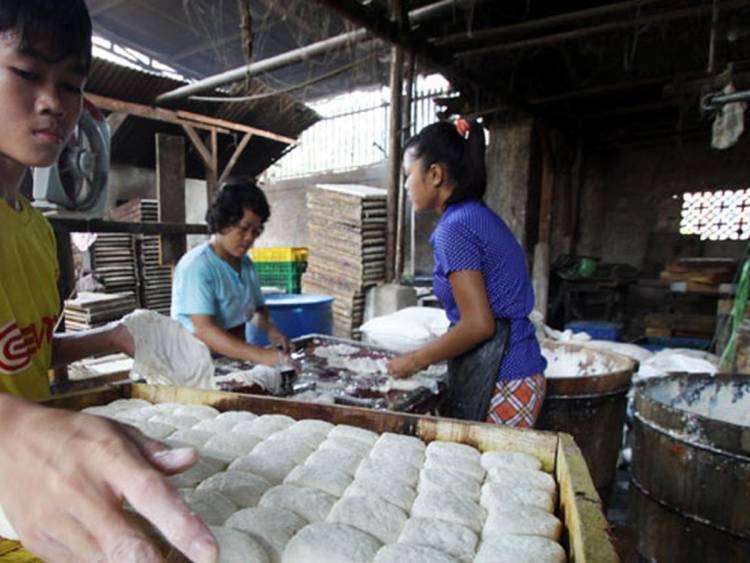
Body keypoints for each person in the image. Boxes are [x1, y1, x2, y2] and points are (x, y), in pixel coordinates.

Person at [0, 1, 218, 561]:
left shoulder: (34, 233)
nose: (53, 103)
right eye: (26, 73)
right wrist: (13, 435)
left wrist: (116, 338)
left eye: (71, 84)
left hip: (33, 520)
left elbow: (22, 354)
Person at [387, 120, 547, 427]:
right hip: (513, 371)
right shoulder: (477, 216)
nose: (406, 186)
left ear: (435, 174)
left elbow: (478, 324)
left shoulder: (456, 229)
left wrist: (414, 360)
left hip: (503, 377)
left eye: (408, 175)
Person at [171, 179, 292, 366]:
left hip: (231, 359)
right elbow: (204, 329)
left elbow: (252, 312)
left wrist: (271, 331)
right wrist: (261, 355)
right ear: (223, 222)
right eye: (244, 228)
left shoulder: (246, 264)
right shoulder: (198, 266)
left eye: (256, 231)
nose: (250, 238)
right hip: (195, 363)